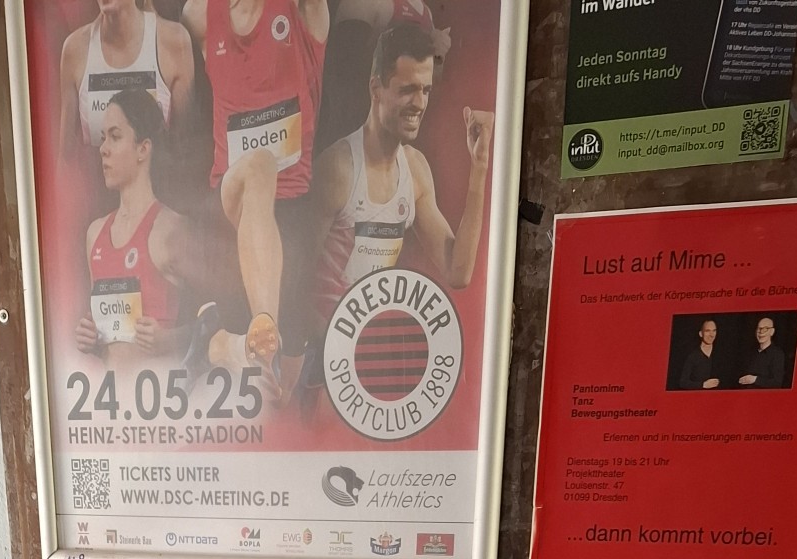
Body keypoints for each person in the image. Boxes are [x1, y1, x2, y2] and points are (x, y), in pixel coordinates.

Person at [181, 0, 328, 393]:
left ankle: (219, 345)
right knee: (260, 164)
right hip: (229, 207)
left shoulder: (304, 11)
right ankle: (265, 330)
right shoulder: (199, 15)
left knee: (280, 396)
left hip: (290, 212)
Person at [312, 22, 493, 328]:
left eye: (425, 90)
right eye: (407, 90)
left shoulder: (415, 170)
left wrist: (480, 165)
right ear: (376, 89)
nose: (419, 104)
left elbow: (458, 272)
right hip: (320, 346)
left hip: (368, 344)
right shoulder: (338, 169)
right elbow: (294, 283)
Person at [77, 90, 190, 360]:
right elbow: (109, 335)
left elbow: (215, 324)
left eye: (115, 137)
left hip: (165, 384)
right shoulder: (95, 233)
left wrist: (171, 339)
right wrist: (91, 337)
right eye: (103, 138)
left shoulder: (172, 229)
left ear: (143, 149)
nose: (103, 148)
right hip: (110, 387)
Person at [61, 0, 194, 151]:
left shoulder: (174, 41)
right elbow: (65, 156)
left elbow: (184, 149)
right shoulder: (75, 48)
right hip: (95, 166)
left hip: (159, 166)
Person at [317, 0, 451, 148]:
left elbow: (429, 81)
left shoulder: (425, 12)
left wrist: (438, 56)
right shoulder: (368, 3)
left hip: (396, 135)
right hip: (357, 128)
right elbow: (342, 70)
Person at [738, 314, 786, 389]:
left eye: (765, 328)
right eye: (759, 328)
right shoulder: (750, 352)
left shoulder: (777, 354)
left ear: (772, 332)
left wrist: (755, 379)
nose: (761, 332)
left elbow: (777, 383)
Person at [678, 316, 721, 391]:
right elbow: (683, 382)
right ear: (701, 334)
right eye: (707, 331)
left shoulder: (721, 354)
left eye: (714, 331)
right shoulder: (692, 356)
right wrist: (703, 385)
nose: (711, 335)